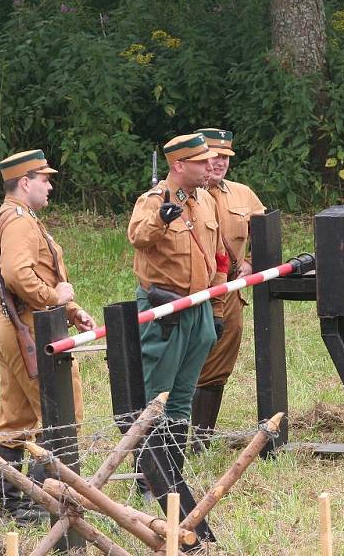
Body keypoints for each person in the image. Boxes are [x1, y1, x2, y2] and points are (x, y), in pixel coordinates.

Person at [0, 149, 96, 525]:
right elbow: (18, 275)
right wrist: (55, 299)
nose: (49, 185)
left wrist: (70, 310)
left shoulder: (18, 217)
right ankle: (39, 497)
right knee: (63, 409)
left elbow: (34, 275)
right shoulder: (18, 221)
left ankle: (14, 505)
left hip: (18, 322)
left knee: (15, 416)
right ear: (25, 182)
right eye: (44, 179)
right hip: (29, 326)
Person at [127, 132, 228, 487]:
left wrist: (215, 310)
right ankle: (148, 478)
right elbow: (137, 236)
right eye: (201, 162)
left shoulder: (206, 201)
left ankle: (172, 474)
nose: (209, 167)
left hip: (198, 308)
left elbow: (216, 257)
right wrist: (162, 219)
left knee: (183, 395)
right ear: (178, 165)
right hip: (165, 310)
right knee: (157, 396)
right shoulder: (154, 201)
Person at [190, 128, 265, 451]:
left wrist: (250, 261)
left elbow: (266, 233)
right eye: (212, 156)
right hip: (192, 292)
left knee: (219, 365)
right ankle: (171, 439)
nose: (218, 163)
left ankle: (201, 440)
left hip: (230, 292)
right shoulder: (186, 195)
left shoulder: (242, 194)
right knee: (187, 362)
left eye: (224, 157)